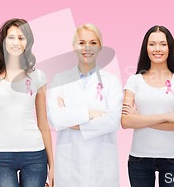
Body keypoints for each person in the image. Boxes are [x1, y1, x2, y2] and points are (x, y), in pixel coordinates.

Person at [0, 18, 54, 187]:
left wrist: (52, 165)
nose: (16, 42)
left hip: (34, 154)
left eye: (21, 37)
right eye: (11, 37)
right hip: (1, 156)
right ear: (3, 41)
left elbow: (44, 124)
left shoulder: (38, 76)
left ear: (28, 42)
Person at [46, 23, 122, 186]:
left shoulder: (111, 81)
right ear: (74, 46)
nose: (87, 47)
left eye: (93, 43)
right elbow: (56, 119)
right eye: (81, 42)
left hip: (102, 168)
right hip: (70, 167)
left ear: (100, 47)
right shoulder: (60, 80)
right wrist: (91, 113)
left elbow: (114, 120)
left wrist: (72, 119)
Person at [122, 25, 174, 187]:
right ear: (146, 48)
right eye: (152, 44)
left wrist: (139, 119)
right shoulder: (134, 81)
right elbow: (125, 122)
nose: (157, 49)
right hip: (139, 159)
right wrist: (168, 116)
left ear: (170, 48)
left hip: (173, 159)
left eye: (163, 44)